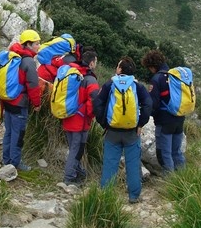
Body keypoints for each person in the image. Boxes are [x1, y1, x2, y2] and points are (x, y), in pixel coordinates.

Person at [93, 56, 152, 204]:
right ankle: (134, 196)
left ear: (120, 69)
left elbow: (98, 104)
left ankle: (106, 196)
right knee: (133, 163)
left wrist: (104, 124)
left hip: (112, 131)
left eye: (118, 66)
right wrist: (140, 124)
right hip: (132, 132)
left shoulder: (110, 84)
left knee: (110, 163)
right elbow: (148, 104)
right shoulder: (137, 86)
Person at [2, 29, 42, 171]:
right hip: (19, 104)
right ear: (29, 44)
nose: (39, 46)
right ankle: (15, 163)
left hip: (8, 100)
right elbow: (33, 86)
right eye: (37, 43)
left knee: (9, 132)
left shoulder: (13, 56)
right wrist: (37, 104)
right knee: (18, 134)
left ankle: (6, 159)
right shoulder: (29, 62)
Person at [141, 49, 186, 174]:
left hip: (165, 121)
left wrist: (145, 114)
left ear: (152, 66)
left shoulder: (157, 79)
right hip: (180, 118)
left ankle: (170, 184)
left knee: (164, 154)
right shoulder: (175, 76)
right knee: (176, 152)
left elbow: (153, 104)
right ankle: (184, 179)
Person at [61, 49, 99, 185]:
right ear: (92, 63)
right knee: (77, 149)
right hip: (80, 120)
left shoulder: (71, 72)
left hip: (67, 115)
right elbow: (94, 98)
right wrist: (91, 114)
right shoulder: (90, 79)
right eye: (96, 61)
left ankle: (78, 172)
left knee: (73, 147)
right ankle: (69, 177)